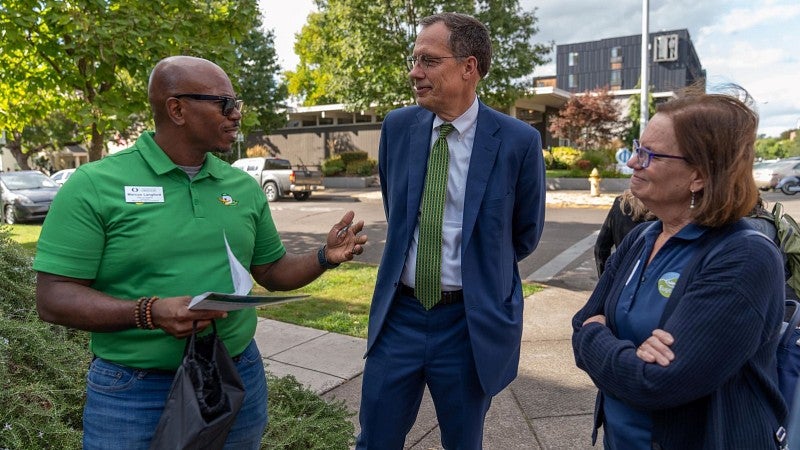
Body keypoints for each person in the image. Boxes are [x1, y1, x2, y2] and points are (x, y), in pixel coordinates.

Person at [33, 55, 367, 449]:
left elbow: (272, 270)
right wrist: (149, 312)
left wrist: (324, 256)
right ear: (177, 109)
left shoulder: (240, 187)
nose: (237, 114)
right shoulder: (94, 185)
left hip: (234, 372)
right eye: (224, 103)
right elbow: (53, 297)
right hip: (136, 391)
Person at [356, 12, 545, 449]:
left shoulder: (518, 141)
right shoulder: (398, 128)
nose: (414, 72)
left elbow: (526, 233)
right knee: (375, 440)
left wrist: (477, 274)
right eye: (414, 58)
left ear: (468, 67)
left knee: (462, 442)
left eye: (428, 60)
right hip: (399, 316)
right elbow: (398, 213)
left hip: (468, 323)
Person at [572, 85, 788, 449]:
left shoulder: (742, 258)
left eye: (650, 155)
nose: (632, 162)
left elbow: (658, 383)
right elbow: (582, 320)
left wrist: (597, 337)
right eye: (638, 149)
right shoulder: (642, 237)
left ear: (699, 175)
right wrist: (624, 349)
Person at [594, 189, 656, 276]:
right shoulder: (665, 209)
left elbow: (601, 247)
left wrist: (605, 278)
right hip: (652, 277)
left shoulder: (620, 203)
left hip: (623, 275)